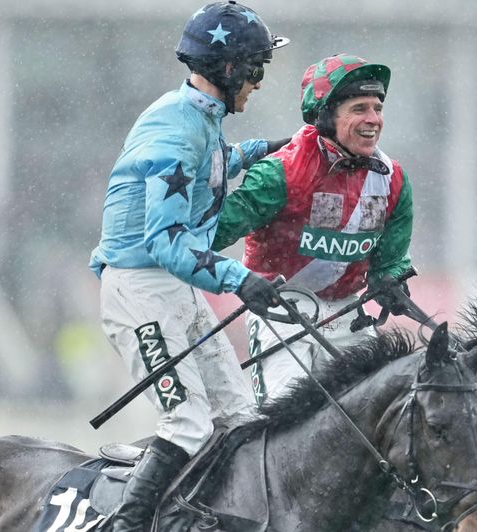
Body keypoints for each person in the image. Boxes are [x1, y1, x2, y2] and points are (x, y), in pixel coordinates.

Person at [88, 3, 288, 530]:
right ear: (229, 70)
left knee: (241, 419)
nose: (260, 83)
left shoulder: (196, 115)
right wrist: (240, 279)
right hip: (139, 289)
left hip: (174, 289)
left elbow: (215, 164)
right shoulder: (176, 130)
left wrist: (275, 149)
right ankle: (127, 525)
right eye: (257, 70)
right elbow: (167, 242)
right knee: (189, 422)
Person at [213, 53, 414, 405]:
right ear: (325, 116)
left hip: (348, 312)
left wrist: (391, 279)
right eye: (359, 109)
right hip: (282, 310)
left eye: (377, 108)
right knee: (284, 424)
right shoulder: (280, 173)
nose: (373, 120)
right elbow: (210, 235)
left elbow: (390, 260)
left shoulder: (394, 179)